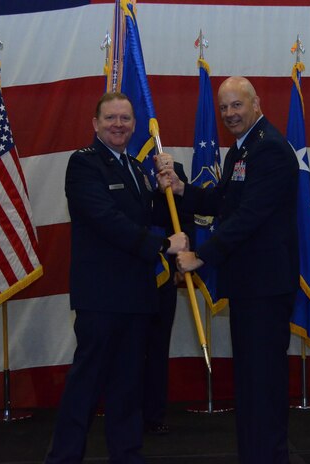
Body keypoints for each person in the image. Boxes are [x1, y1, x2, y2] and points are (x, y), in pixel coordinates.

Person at [157, 76, 299, 464]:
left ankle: (269, 456)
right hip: (250, 283)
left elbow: (250, 216)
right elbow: (224, 200)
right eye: (223, 108)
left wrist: (202, 256)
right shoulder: (243, 150)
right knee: (251, 380)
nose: (230, 114)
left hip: (267, 285)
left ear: (256, 103)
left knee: (264, 381)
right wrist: (183, 189)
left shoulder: (269, 148)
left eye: (237, 105)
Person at [45, 92, 187, 464]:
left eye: (125, 118)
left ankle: (127, 456)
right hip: (101, 298)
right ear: (95, 123)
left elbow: (154, 209)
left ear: (135, 125)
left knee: (127, 388)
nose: (119, 124)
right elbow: (108, 222)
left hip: (137, 296)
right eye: (111, 118)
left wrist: (175, 181)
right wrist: (162, 245)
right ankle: (63, 458)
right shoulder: (83, 165)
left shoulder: (136, 169)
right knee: (86, 387)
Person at [142, 161, 191, 436]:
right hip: (128, 273)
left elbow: (182, 221)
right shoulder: (119, 167)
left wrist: (178, 266)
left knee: (158, 347)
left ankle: (154, 415)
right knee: (127, 348)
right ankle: (124, 410)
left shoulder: (171, 170)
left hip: (164, 273)